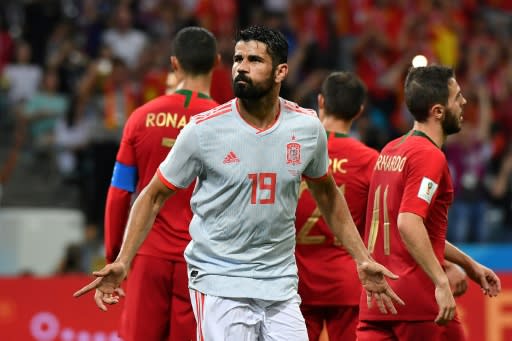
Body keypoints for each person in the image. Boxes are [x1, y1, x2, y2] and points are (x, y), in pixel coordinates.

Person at [74, 25, 404, 341]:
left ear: (281, 72)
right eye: (237, 59)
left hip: (281, 286)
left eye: (254, 60)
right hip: (220, 282)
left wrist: (362, 258)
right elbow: (152, 195)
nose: (241, 68)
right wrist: (121, 259)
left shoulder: (306, 129)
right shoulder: (204, 130)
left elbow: (328, 195)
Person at [356, 65, 501, 341]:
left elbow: (416, 230)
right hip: (418, 305)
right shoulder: (429, 157)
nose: (464, 103)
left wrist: (470, 265)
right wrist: (441, 280)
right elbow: (409, 223)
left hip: (378, 303)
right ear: (438, 111)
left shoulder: (391, 150)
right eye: (457, 97)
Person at [102, 27, 220, 341]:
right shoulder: (226, 124)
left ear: (174, 64)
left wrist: (116, 257)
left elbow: (119, 194)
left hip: (146, 254)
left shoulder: (141, 118)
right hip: (201, 261)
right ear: (217, 63)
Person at [295, 71, 378, 341]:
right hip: (348, 284)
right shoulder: (370, 161)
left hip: (297, 282)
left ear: (320, 101)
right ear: (359, 111)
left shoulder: (293, 151)